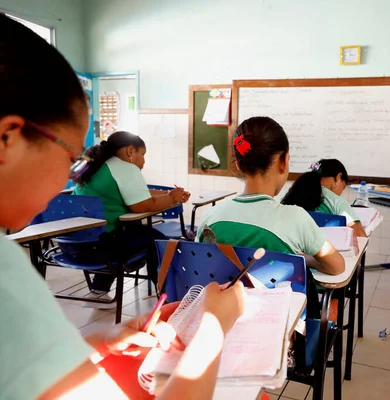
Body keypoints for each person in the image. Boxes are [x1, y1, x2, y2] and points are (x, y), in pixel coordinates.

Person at [0, 14, 244, 399]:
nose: (72, 172)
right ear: (7, 138)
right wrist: (213, 327)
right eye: (70, 156)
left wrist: (93, 346)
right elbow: (145, 204)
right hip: (107, 245)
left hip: (70, 246)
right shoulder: (6, 278)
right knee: (153, 241)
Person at [195, 116, 344, 276]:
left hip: (223, 300)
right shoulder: (296, 219)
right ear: (283, 162)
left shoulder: (209, 218)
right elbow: (337, 267)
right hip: (280, 301)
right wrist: (302, 259)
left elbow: (201, 265)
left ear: (238, 164)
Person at [71, 131, 191, 303]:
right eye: (142, 154)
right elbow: (142, 205)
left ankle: (99, 290)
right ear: (130, 151)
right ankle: (168, 295)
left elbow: (139, 194)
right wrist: (172, 198)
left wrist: (169, 194)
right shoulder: (125, 167)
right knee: (159, 243)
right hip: (100, 247)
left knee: (135, 233)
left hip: (74, 244)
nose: (143, 160)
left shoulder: (98, 165)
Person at [281, 158, 367, 238]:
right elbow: (360, 236)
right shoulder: (337, 202)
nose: (341, 192)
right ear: (338, 177)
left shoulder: (290, 194)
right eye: (343, 187)